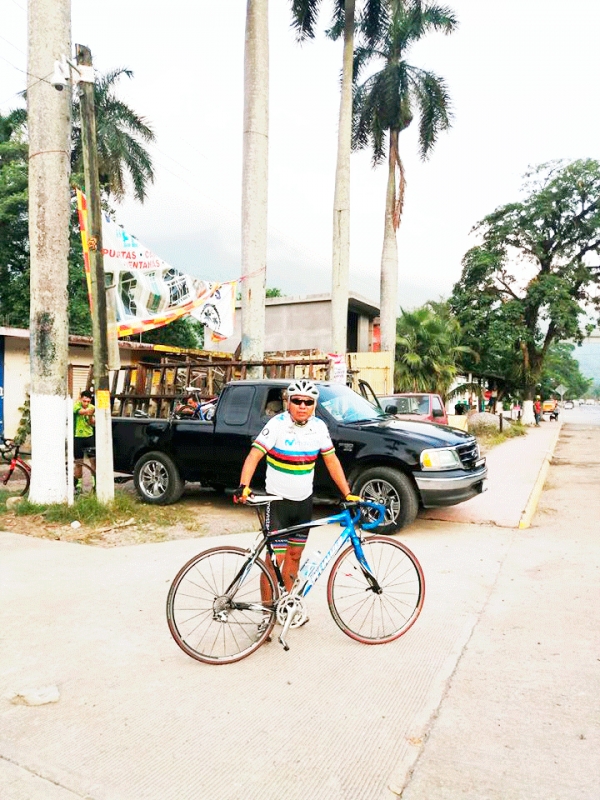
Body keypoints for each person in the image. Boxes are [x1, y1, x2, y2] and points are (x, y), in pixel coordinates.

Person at [234, 379, 358, 591]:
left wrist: (347, 493)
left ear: (314, 405)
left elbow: (331, 461)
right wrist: (243, 485)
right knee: (275, 561)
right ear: (289, 402)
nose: (302, 406)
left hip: (303, 502)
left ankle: (286, 605)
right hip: (278, 503)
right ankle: (267, 614)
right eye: (297, 401)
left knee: (295, 555)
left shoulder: (319, 427)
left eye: (308, 402)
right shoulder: (277, 425)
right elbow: (254, 456)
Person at [73, 390, 95, 492]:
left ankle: (95, 484)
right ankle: (77, 485)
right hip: (77, 437)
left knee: (93, 461)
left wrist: (91, 415)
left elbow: (92, 423)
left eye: (88, 401)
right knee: (79, 463)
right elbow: (80, 412)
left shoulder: (92, 408)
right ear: (80, 399)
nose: (86, 403)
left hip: (89, 436)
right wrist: (88, 412)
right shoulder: (76, 405)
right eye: (84, 401)